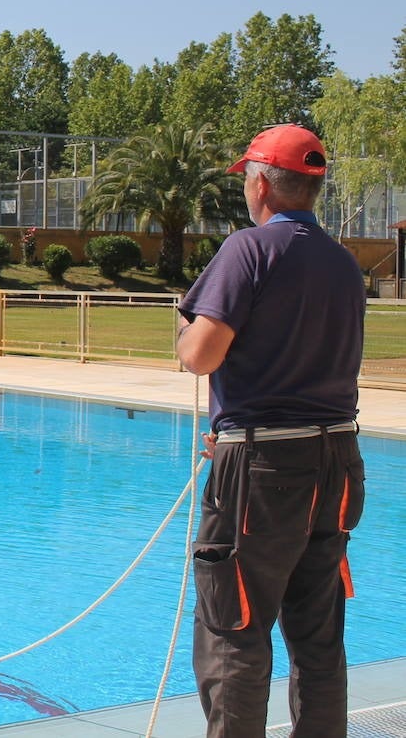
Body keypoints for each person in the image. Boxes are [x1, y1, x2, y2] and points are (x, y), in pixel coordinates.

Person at [177, 123, 366, 738]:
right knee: (317, 635)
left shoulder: (249, 250)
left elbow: (201, 355)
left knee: (233, 628)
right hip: (336, 460)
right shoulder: (344, 263)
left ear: (260, 184)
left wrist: (184, 331)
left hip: (262, 470)